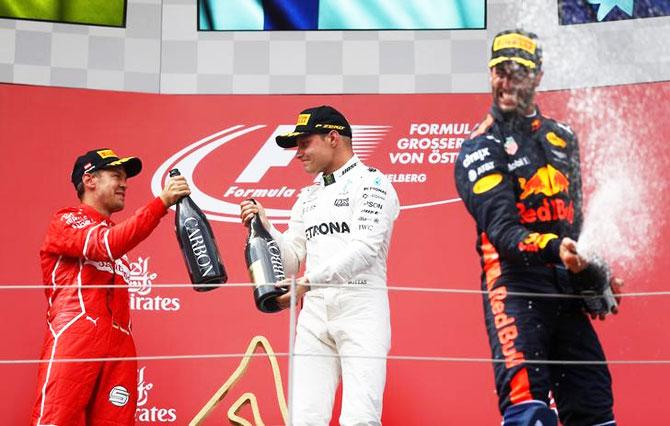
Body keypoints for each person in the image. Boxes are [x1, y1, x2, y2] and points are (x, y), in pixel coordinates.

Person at [454, 30, 623, 426]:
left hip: (565, 292)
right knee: (530, 417)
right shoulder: (480, 146)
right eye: (498, 70)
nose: (505, 80)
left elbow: (576, 224)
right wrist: (557, 250)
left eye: (516, 71)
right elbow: (504, 233)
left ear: (537, 76)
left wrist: (594, 271)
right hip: (515, 288)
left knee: (596, 411)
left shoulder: (562, 137)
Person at [240, 105, 399, 425]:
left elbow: (365, 250)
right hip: (313, 313)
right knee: (304, 418)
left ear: (333, 137)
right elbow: (291, 262)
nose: (298, 153)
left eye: (304, 143)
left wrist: (307, 283)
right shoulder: (307, 197)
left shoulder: (373, 184)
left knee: (360, 419)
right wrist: (267, 228)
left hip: (361, 307)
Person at [32, 148, 190, 425]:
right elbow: (106, 245)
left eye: (125, 178)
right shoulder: (67, 220)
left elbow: (114, 241)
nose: (124, 183)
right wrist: (161, 202)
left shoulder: (115, 236)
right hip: (75, 334)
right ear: (90, 180)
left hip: (120, 344)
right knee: (55, 420)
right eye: (116, 176)